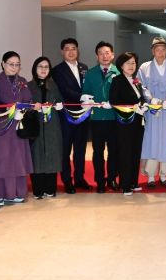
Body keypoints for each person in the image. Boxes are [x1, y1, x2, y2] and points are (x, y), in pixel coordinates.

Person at [0, 51, 37, 205]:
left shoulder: (22, 81)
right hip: (2, 125)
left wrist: (28, 108)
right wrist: (9, 109)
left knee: (18, 159)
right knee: (2, 159)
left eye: (17, 64)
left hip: (19, 124)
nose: (14, 67)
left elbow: (28, 99)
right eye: (11, 64)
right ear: (3, 64)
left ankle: (18, 192)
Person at [138, 37, 166, 188]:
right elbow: (141, 86)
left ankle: (164, 174)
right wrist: (151, 99)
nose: (161, 52)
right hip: (152, 111)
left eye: (163, 49)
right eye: (157, 49)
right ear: (152, 51)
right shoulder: (144, 67)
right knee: (152, 140)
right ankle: (150, 176)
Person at [52, 38, 90, 194]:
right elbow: (64, 90)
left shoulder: (84, 67)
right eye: (67, 49)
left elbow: (88, 86)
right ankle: (67, 180)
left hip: (83, 115)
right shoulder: (57, 70)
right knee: (65, 149)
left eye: (73, 48)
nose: (71, 51)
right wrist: (81, 97)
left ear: (77, 50)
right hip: (66, 115)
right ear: (62, 52)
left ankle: (79, 178)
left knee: (80, 149)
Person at [82, 41, 120, 193]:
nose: (104, 56)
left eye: (107, 53)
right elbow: (85, 93)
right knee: (98, 152)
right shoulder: (90, 73)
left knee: (114, 151)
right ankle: (100, 181)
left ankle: (112, 178)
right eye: (101, 53)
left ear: (112, 55)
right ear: (97, 56)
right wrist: (87, 100)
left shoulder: (119, 72)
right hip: (97, 118)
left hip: (114, 118)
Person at [109, 52, 145, 196]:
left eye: (133, 63)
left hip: (138, 122)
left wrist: (143, 105)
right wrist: (132, 107)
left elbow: (140, 98)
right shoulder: (117, 80)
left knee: (136, 151)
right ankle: (125, 185)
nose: (131, 65)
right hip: (124, 123)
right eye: (128, 63)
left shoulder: (136, 80)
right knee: (125, 152)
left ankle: (133, 182)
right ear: (121, 65)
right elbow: (114, 101)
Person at [28, 57, 63, 199]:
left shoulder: (54, 85)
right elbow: (24, 104)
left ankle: (50, 189)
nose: (43, 69)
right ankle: (38, 190)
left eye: (46, 67)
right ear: (34, 69)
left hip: (51, 125)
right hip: (35, 125)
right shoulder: (28, 86)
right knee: (36, 156)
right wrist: (32, 107)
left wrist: (59, 105)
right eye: (40, 66)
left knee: (52, 155)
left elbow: (60, 101)